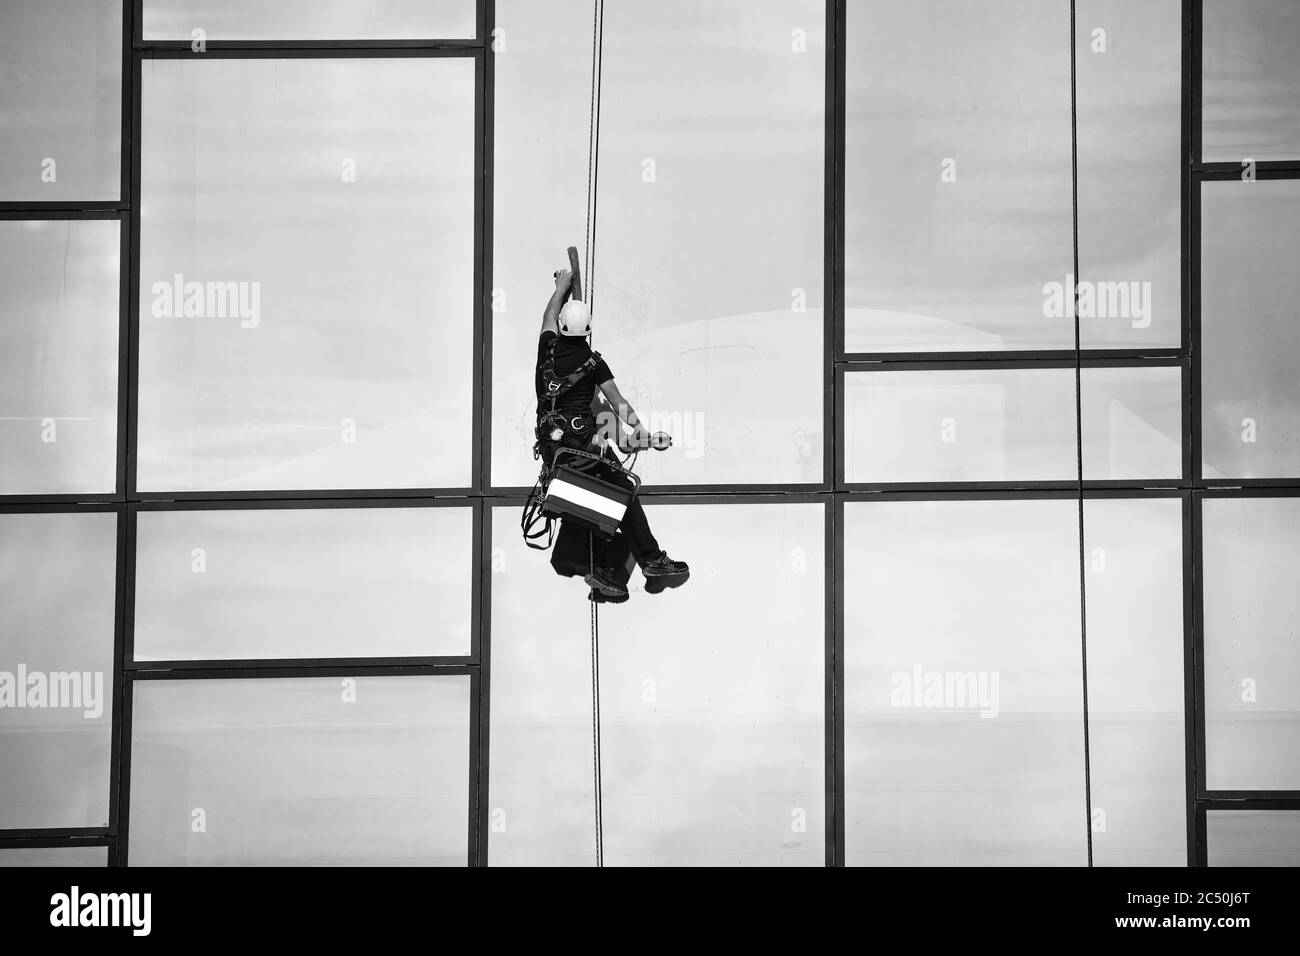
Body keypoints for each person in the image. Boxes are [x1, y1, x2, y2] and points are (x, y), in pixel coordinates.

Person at [534, 267, 689, 601]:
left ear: (561, 327)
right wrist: (642, 432)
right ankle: (650, 560)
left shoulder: (545, 349)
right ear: (588, 331)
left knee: (595, 502)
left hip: (554, 452)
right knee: (624, 493)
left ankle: (610, 572)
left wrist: (561, 288)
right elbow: (619, 403)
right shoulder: (592, 362)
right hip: (586, 449)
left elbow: (547, 315)